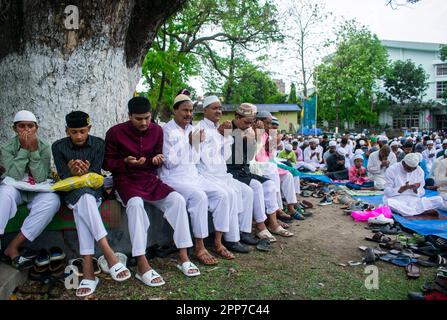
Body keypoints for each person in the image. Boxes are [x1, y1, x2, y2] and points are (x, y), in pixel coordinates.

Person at [104, 96, 200, 287]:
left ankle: (183, 255)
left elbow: (158, 156)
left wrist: (156, 159)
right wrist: (124, 162)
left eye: (147, 118)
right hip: (125, 180)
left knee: (177, 200)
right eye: (138, 118)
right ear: (129, 116)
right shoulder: (115, 132)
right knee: (136, 205)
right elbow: (107, 163)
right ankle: (141, 262)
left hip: (149, 179)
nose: (144, 122)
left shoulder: (156, 130)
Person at [52, 111, 131, 297]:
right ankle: (108, 253)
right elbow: (63, 176)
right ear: (67, 131)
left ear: (89, 129)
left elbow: (96, 174)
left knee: (86, 200)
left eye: (82, 131)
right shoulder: (58, 147)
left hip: (93, 189)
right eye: (73, 132)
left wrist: (85, 172)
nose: (78, 136)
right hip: (70, 191)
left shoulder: (98, 144)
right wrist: (73, 172)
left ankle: (88, 271)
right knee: (83, 200)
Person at [160, 94, 235, 264]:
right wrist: (187, 143)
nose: (188, 114)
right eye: (184, 110)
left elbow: (194, 160)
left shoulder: (192, 130)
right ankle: (199, 246)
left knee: (222, 194)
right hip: (173, 178)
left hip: (192, 175)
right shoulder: (167, 130)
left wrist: (194, 144)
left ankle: (217, 242)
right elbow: (170, 163)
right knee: (199, 196)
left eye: (190, 111)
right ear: (175, 110)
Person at [0, 111, 60, 269]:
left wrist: (33, 151)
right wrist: (24, 150)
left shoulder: (44, 146)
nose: (26, 130)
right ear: (14, 129)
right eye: (21, 126)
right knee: (4, 193)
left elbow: (40, 177)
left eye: (30, 126)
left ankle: (13, 247)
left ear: (36, 128)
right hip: (16, 190)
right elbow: (13, 175)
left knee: (53, 201)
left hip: (36, 190)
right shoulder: (7, 147)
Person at [196, 96, 254, 253]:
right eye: (214, 108)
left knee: (247, 192)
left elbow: (226, 154)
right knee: (230, 194)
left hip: (222, 174)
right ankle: (231, 239)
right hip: (207, 174)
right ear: (205, 110)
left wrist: (223, 136)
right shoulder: (198, 128)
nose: (218, 111)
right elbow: (200, 155)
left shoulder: (221, 128)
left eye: (220, 108)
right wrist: (219, 136)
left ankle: (243, 232)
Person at [226, 103, 291, 241]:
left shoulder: (249, 130)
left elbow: (249, 157)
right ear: (237, 117)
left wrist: (255, 137)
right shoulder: (227, 128)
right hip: (231, 171)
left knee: (269, 185)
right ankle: (261, 227)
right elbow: (233, 157)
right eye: (246, 122)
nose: (248, 125)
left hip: (244, 170)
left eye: (251, 122)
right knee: (256, 185)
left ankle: (273, 223)